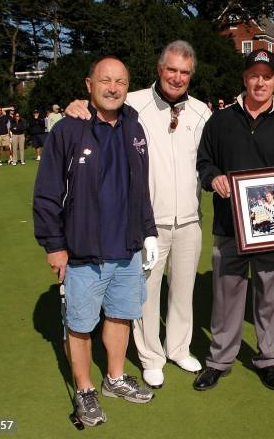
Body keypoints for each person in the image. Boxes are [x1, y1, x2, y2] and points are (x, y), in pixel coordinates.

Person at [65, 41, 212, 389]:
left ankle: (178, 347)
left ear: (191, 76)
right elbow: (99, 103)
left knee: (183, 290)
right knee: (145, 295)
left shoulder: (203, 112)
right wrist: (76, 105)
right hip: (147, 222)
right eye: (172, 69)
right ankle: (151, 357)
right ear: (160, 69)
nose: (177, 77)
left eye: (185, 72)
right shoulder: (133, 103)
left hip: (190, 219)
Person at [33, 56, 158, 427]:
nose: (113, 87)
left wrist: (148, 230)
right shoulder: (69, 130)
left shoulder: (134, 127)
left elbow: (141, 189)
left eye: (121, 81)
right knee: (80, 324)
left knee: (121, 316)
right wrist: (54, 245)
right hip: (83, 251)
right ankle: (85, 389)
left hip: (127, 248)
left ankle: (114, 379)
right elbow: (46, 195)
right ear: (89, 84)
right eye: (105, 80)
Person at [195, 49, 274, 391]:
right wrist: (213, 178)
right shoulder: (221, 120)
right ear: (245, 78)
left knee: (269, 297)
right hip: (229, 227)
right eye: (254, 75)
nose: (260, 82)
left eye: (267, 76)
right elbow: (204, 162)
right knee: (227, 297)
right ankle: (220, 360)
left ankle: (266, 359)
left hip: (272, 230)